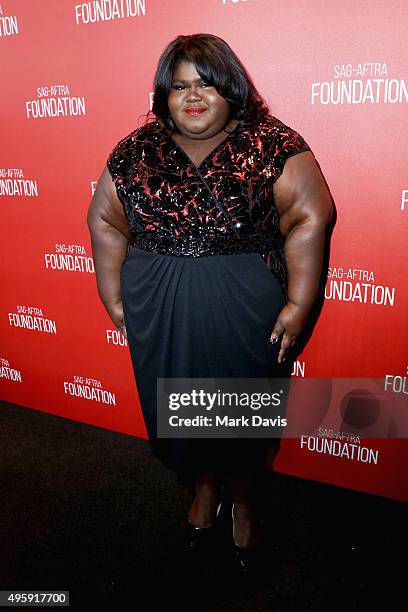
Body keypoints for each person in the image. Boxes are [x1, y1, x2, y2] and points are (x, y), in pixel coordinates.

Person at [87, 33, 333, 573]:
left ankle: (244, 500)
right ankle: (202, 489)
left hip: (245, 305)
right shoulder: (135, 150)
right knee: (176, 408)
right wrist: (113, 294)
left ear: (231, 89)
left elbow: (309, 217)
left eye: (205, 83)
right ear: (163, 95)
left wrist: (298, 300)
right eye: (179, 86)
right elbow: (105, 220)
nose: (192, 96)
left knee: (239, 412)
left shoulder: (273, 143)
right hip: (157, 303)